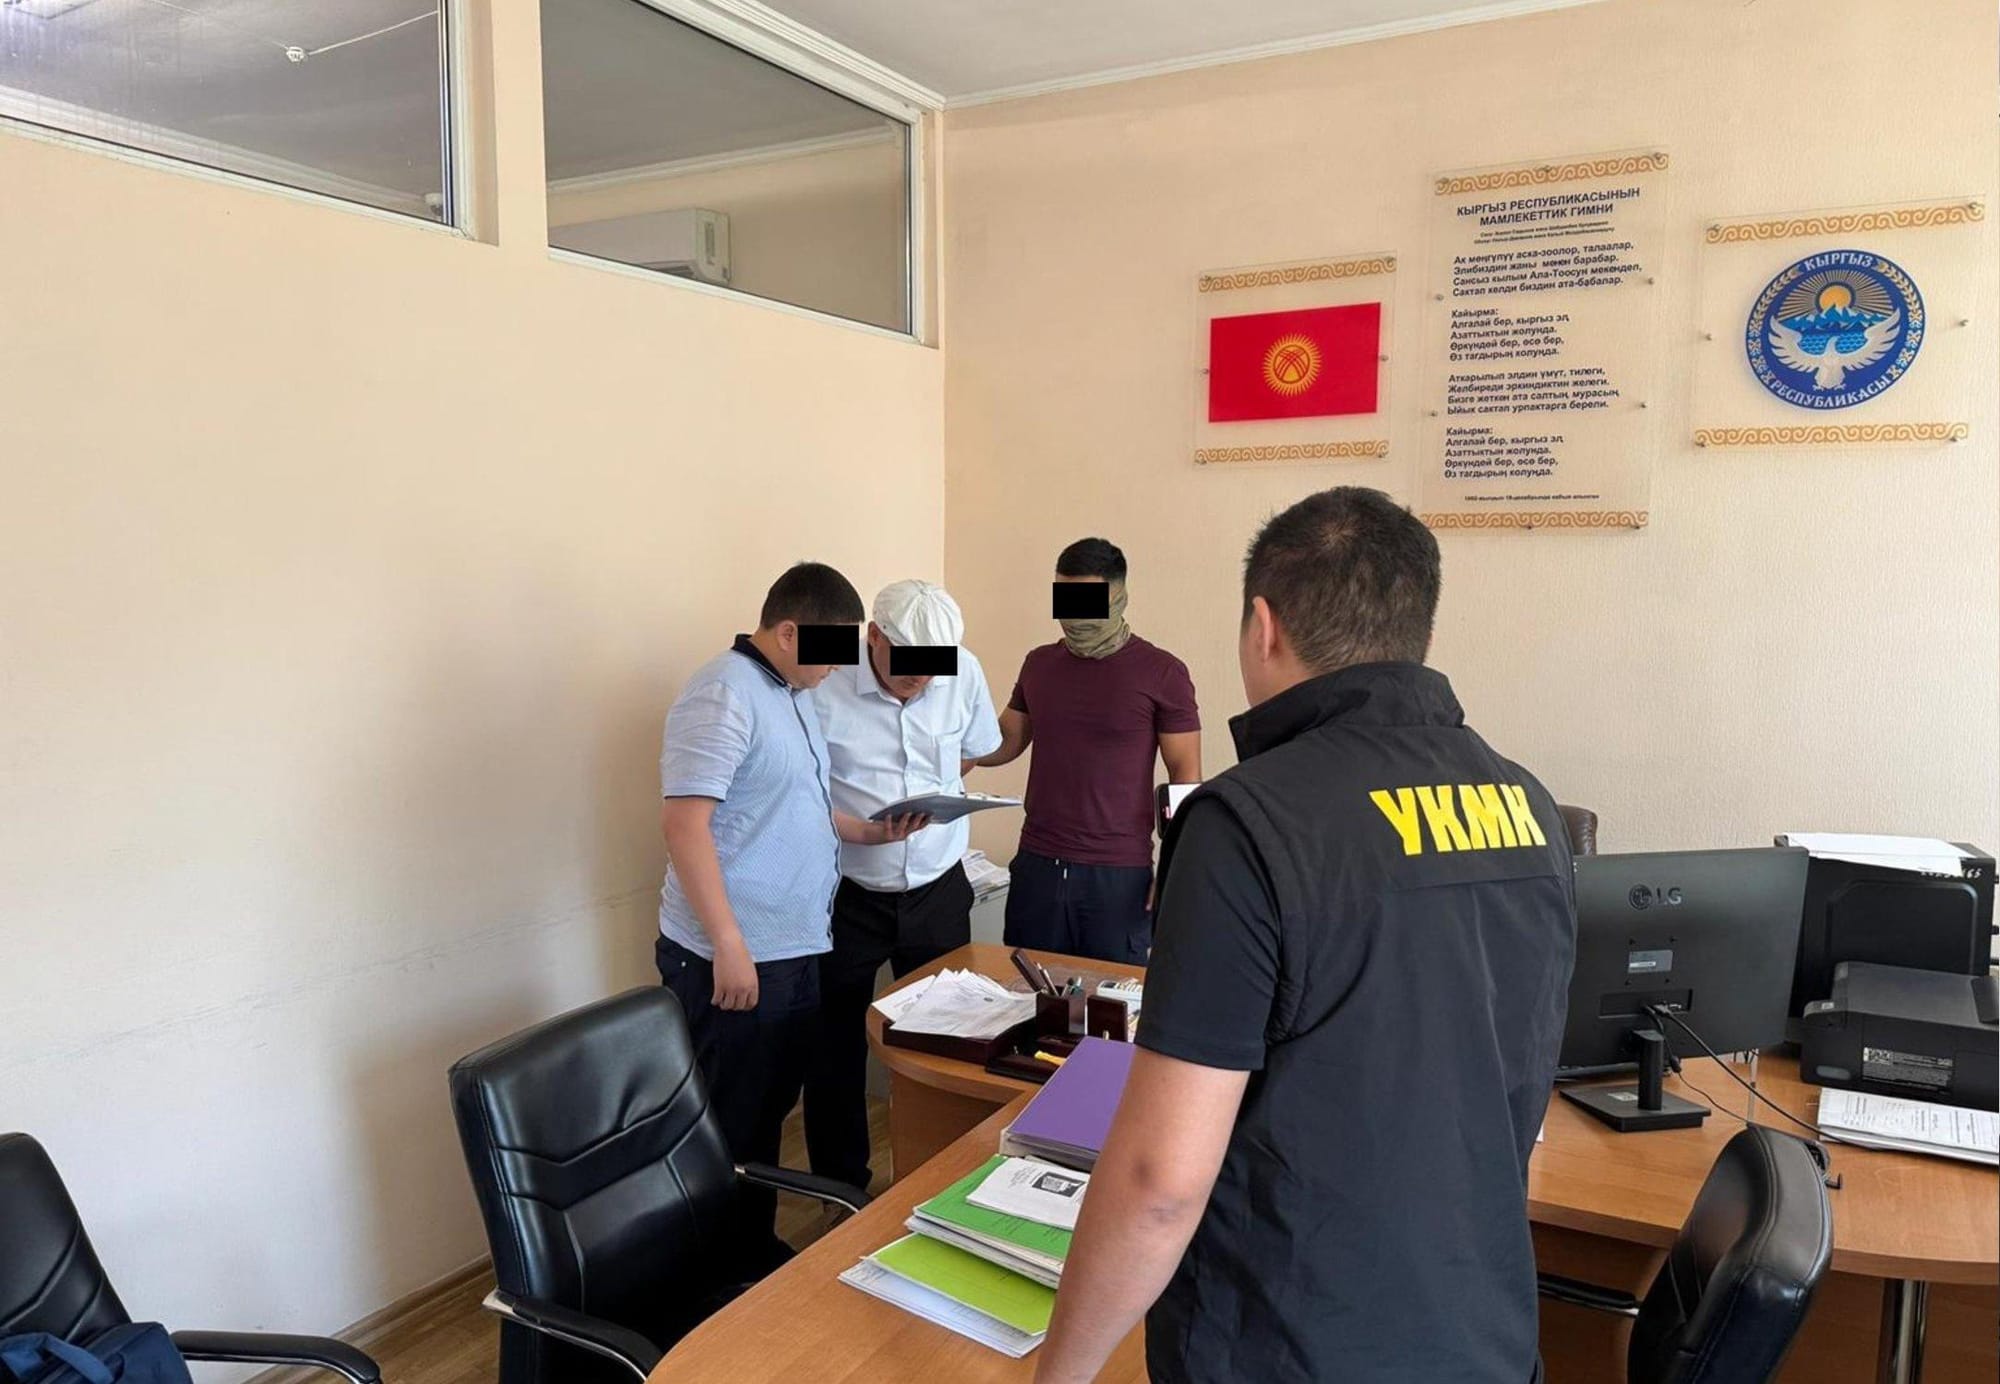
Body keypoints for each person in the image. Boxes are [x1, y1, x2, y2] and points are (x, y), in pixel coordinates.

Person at [1035, 488, 1577, 1384]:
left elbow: (1159, 1183)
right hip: (1479, 1333)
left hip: (1287, 1342)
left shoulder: (1246, 822)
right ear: (1417, 629)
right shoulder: (1529, 805)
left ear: (1264, 627)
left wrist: (1060, 1374)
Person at [655, 561, 928, 1269]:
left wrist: (868, 832)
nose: (838, 669)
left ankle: (750, 1248)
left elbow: (795, 802)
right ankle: (720, 1270)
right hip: (735, 953)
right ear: (785, 632)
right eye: (830, 652)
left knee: (769, 1107)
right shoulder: (722, 694)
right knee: (731, 1118)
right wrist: (728, 943)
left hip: (796, 944)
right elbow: (685, 825)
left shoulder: (794, 692)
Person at [804, 579, 1003, 1192]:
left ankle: (943, 1178)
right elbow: (792, 780)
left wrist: (933, 793)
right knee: (834, 1043)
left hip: (938, 885)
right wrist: (860, 826)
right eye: (909, 663)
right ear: (873, 637)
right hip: (846, 890)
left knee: (948, 1035)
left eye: (933, 665)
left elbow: (974, 749)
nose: (922, 678)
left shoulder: (963, 669)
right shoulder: (823, 673)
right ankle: (840, 1187)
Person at [973, 538, 1201, 964]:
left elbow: (1185, 775)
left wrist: (1176, 864)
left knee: (1110, 1000)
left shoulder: (1163, 672)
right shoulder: (1039, 664)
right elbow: (1005, 739)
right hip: (1038, 865)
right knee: (1028, 993)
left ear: (1119, 597)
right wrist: (943, 754)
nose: (1075, 616)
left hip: (1118, 875)